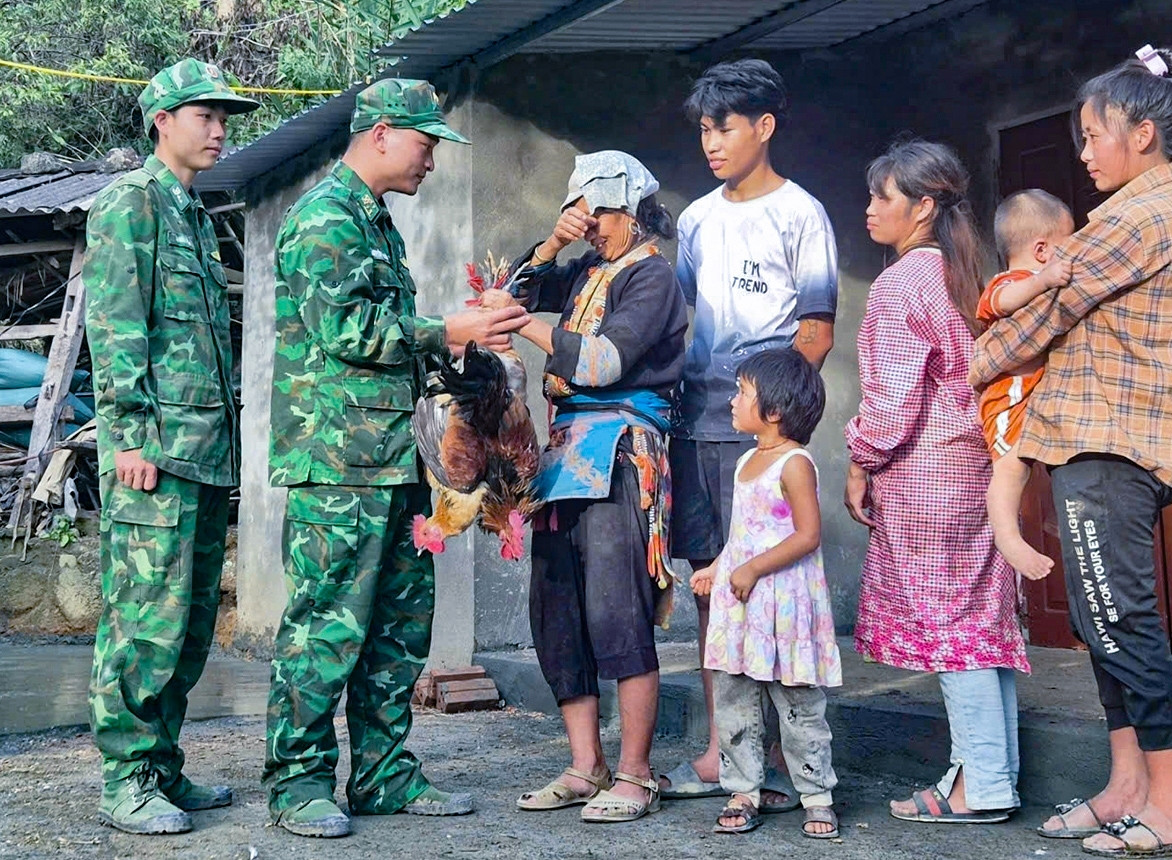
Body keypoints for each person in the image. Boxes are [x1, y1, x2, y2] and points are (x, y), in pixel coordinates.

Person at [262, 79, 529, 839]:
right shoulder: (323, 220)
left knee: (397, 629)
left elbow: (394, 342)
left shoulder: (373, 222)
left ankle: (381, 774)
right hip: (337, 466)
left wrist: (465, 351)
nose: (433, 161)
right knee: (326, 628)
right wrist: (448, 327)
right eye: (425, 143)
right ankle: (299, 782)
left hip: (394, 461)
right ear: (381, 133)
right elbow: (349, 332)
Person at [971, 46, 1172, 857]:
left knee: (1121, 622)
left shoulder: (1137, 217)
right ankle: (1128, 787)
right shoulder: (1132, 212)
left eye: (1092, 135)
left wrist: (962, 371)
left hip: (1113, 445)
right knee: (1099, 620)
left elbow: (1037, 321)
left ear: (1142, 134)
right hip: (1092, 443)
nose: (1083, 151)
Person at [83, 58, 260, 835]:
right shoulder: (131, 204)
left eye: (225, 118)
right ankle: (125, 778)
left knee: (186, 629)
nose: (220, 130)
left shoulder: (192, 210)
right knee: (143, 625)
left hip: (202, 455)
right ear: (162, 121)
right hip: (152, 456)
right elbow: (117, 328)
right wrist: (129, 435)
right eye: (204, 116)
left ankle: (161, 766)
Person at [485, 151, 687, 823]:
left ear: (630, 212)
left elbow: (602, 362)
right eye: (583, 216)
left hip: (624, 453)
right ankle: (585, 764)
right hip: (565, 457)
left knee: (616, 608)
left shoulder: (652, 278)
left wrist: (521, 325)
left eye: (598, 214)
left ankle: (635, 771)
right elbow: (512, 293)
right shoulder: (583, 271)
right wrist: (551, 243)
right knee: (558, 607)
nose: (591, 227)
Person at [663, 57, 839, 809]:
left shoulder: (802, 214)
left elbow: (816, 335)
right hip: (696, 425)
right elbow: (676, 326)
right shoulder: (697, 219)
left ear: (764, 127)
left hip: (757, 432)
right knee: (712, 584)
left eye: (725, 127)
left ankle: (776, 755)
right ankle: (723, 750)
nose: (712, 142)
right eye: (704, 129)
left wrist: (771, 428)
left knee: (764, 586)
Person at [845, 139, 1031, 824]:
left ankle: (980, 784)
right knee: (980, 619)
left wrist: (860, 459)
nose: (869, 209)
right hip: (976, 463)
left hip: (925, 470)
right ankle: (988, 775)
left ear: (922, 206)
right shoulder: (964, 272)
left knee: (954, 627)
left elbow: (891, 403)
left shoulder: (900, 284)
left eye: (881, 197)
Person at [689, 349, 841, 839]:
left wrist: (752, 568)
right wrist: (718, 567)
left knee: (798, 704)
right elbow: (744, 534)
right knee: (734, 698)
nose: (733, 401)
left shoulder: (795, 464)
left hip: (784, 605)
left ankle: (816, 794)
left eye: (742, 393)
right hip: (744, 607)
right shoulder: (747, 461)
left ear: (773, 411)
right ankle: (742, 788)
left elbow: (807, 535)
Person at [977, 189, 1075, 581]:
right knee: (1011, 467)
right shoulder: (1009, 282)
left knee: (1054, 458)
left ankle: (1052, 518)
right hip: (1009, 398)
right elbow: (1001, 301)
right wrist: (1044, 280)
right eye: (1065, 248)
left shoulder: (1043, 283)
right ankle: (1007, 535)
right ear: (1041, 251)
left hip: (1037, 398)